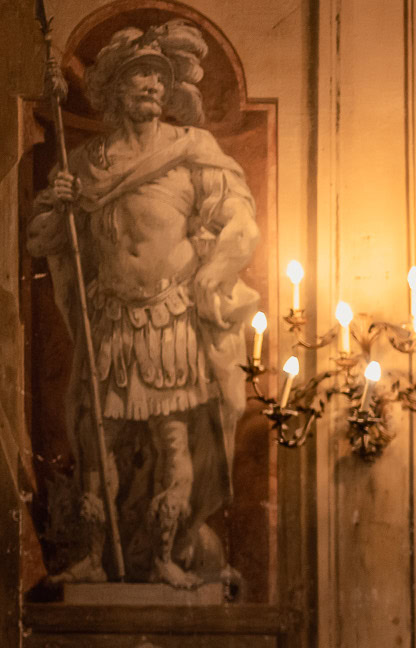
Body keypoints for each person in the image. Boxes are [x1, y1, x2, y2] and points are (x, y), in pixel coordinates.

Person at [25, 20, 258, 589]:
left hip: (170, 316)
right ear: (112, 89)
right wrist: (57, 209)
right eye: (139, 76)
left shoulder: (190, 149)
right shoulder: (84, 163)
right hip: (110, 320)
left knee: (172, 439)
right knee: (97, 440)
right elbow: (41, 242)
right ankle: (95, 557)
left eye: (159, 75)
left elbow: (240, 220)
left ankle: (166, 555)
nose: (152, 84)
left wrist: (214, 273)